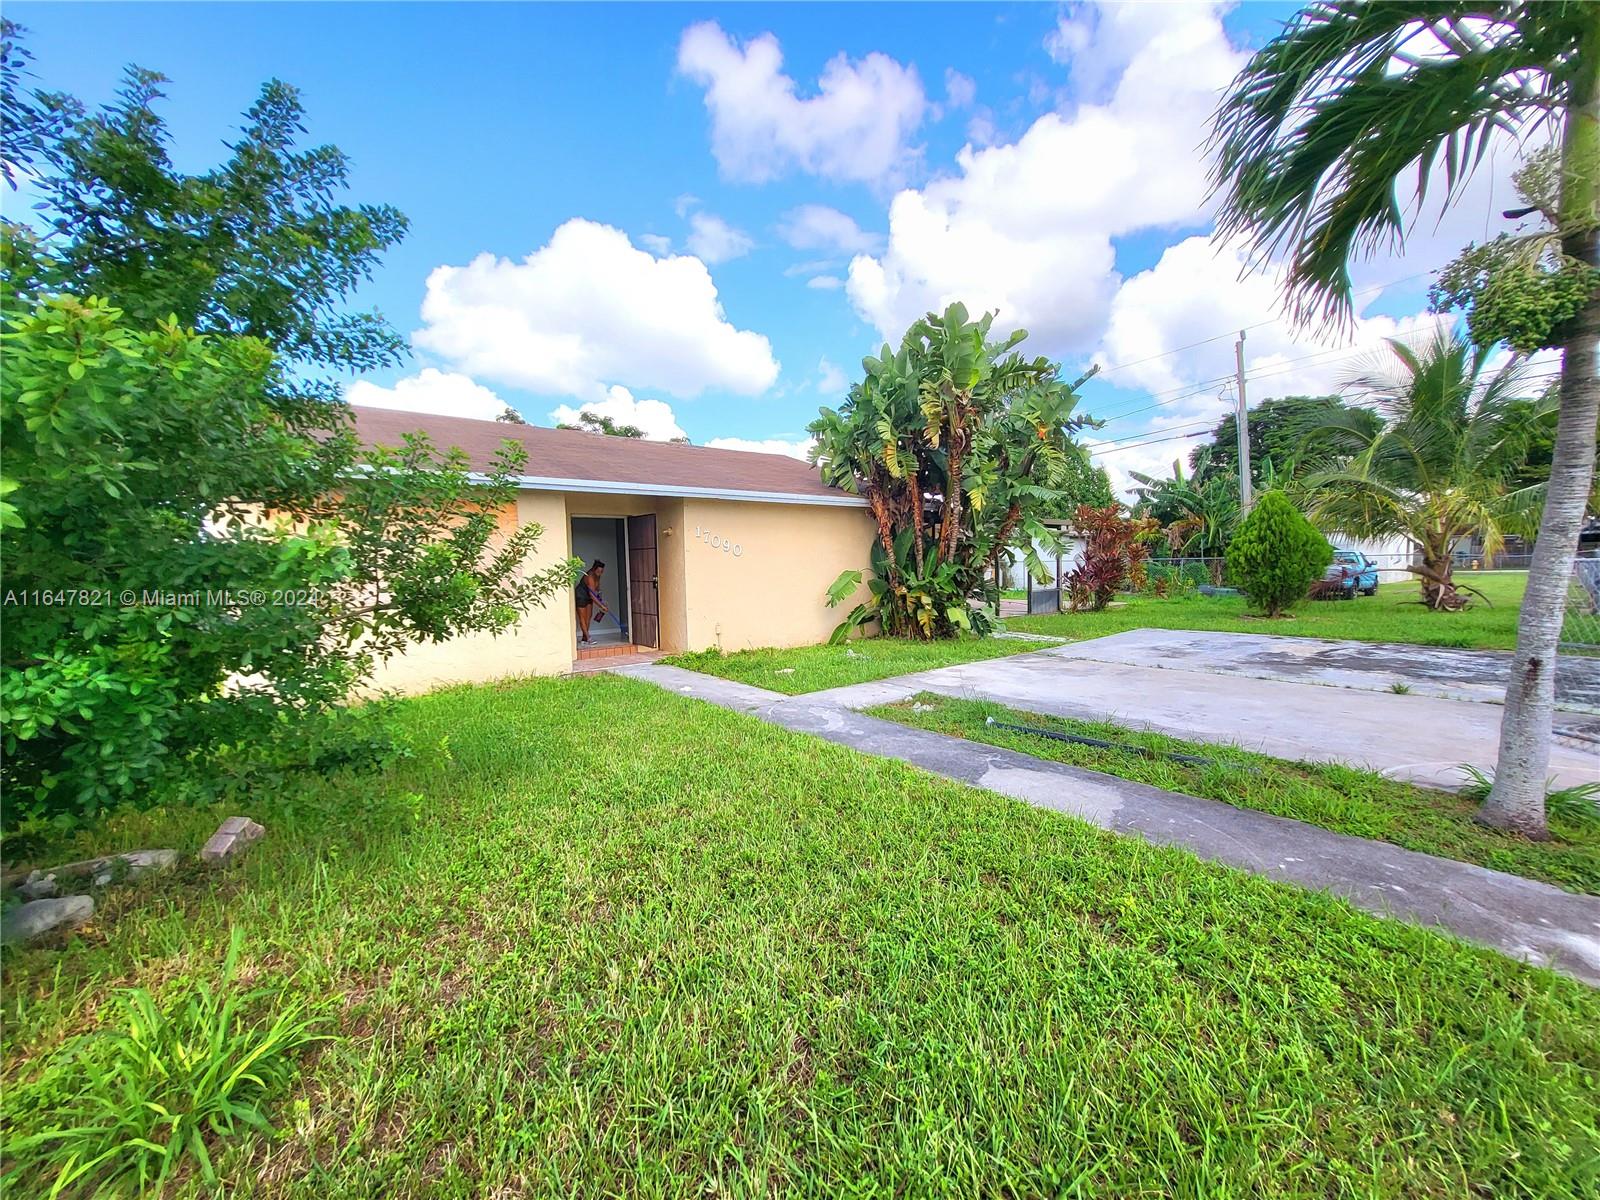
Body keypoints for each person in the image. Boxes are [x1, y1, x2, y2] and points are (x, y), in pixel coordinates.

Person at [575, 560, 609, 644]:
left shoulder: (597, 575)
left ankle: (584, 638)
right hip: (581, 596)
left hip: (589, 597)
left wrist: (601, 599)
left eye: (602, 572)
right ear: (594, 569)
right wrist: (601, 606)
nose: (600, 573)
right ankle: (588, 638)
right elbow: (592, 595)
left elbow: (597, 588)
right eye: (598, 571)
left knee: (588, 617)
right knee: (582, 618)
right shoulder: (589, 576)